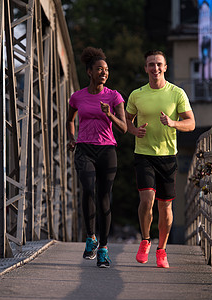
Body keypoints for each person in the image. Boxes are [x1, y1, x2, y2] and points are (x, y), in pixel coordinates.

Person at [125, 50, 195, 268]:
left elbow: (191, 123)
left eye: (159, 64)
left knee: (165, 208)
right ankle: (145, 240)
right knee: (147, 201)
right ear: (145, 68)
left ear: (165, 67)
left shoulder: (177, 93)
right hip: (144, 154)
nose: (155, 68)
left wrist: (173, 123)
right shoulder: (137, 94)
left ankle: (162, 250)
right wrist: (134, 131)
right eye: (151, 65)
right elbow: (126, 120)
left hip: (168, 156)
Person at [66, 47, 127, 268]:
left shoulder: (114, 96)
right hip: (84, 149)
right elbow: (70, 120)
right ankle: (90, 236)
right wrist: (71, 138)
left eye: (107, 70)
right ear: (89, 71)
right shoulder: (77, 97)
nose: (104, 72)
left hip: (107, 150)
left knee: (103, 198)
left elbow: (123, 128)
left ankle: (103, 248)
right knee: (88, 188)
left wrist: (108, 113)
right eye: (99, 69)